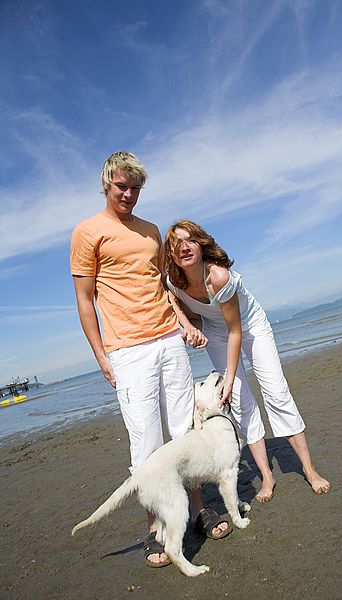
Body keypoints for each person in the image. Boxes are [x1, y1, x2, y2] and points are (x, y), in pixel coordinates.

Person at [70, 152, 231, 569]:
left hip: (168, 341)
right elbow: (84, 301)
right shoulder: (88, 233)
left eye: (135, 188)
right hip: (129, 350)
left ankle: (198, 512)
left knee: (184, 432)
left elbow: (161, 287)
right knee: (146, 443)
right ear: (107, 184)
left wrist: (182, 325)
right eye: (122, 186)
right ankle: (154, 530)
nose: (128, 194)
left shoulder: (151, 231)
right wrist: (102, 356)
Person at [163, 220, 331, 499]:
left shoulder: (218, 277)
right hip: (216, 331)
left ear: (201, 244)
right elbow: (171, 298)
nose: (184, 247)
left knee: (276, 393)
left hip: (249, 326)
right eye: (176, 244)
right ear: (171, 254)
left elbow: (235, 330)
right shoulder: (174, 279)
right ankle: (267, 477)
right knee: (240, 402)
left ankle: (310, 470)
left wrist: (227, 379)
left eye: (189, 240)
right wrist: (188, 326)